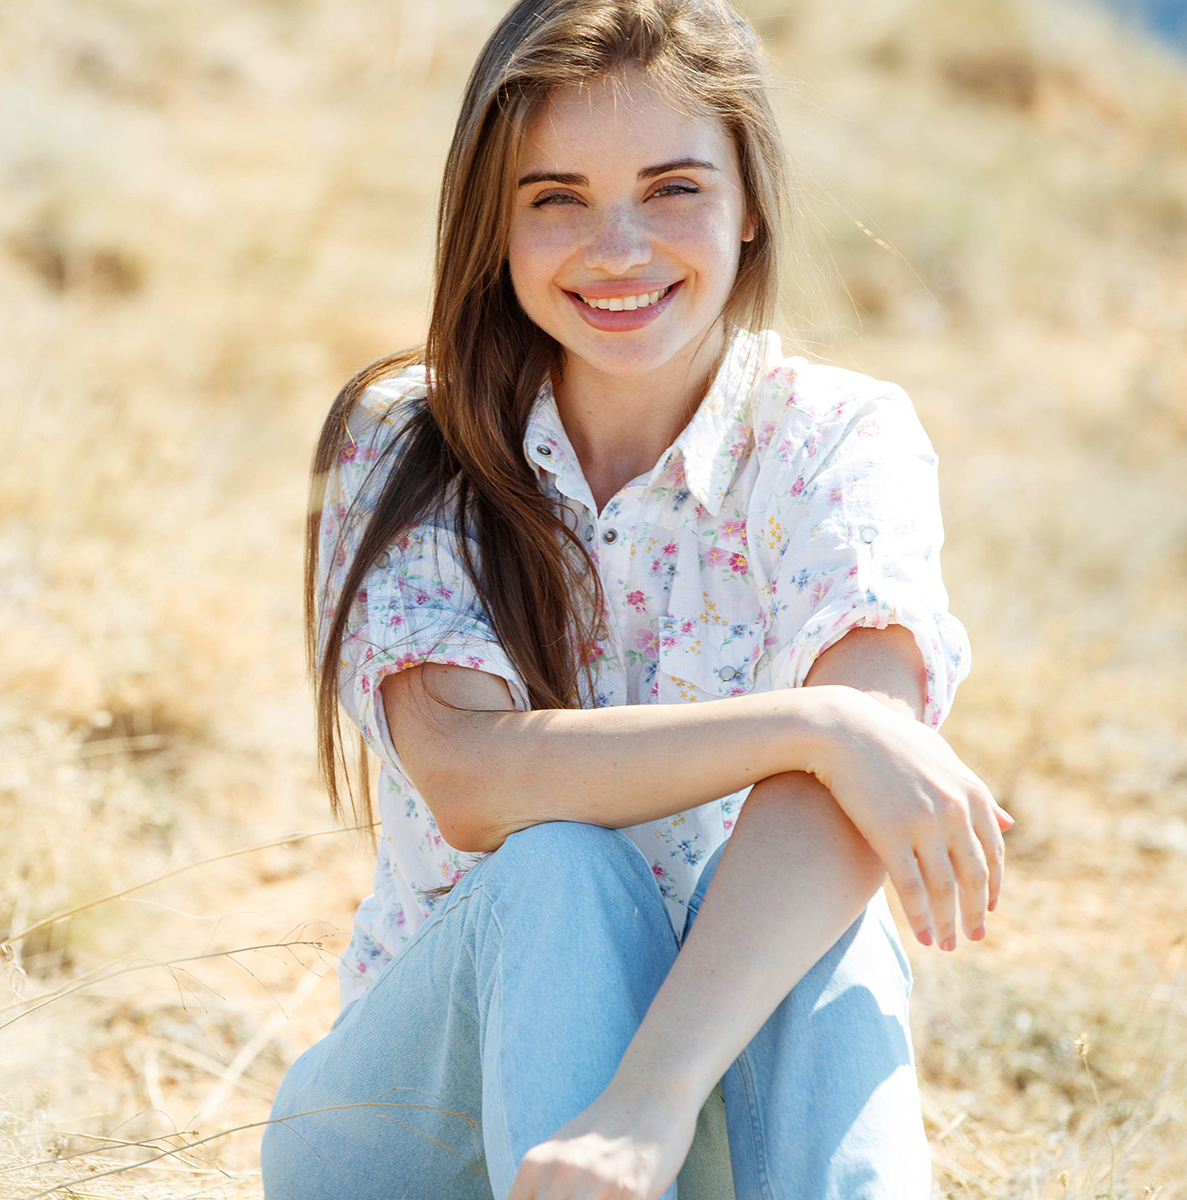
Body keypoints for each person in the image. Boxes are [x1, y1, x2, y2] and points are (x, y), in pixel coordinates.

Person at [261, 1, 1012, 1197]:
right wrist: (816, 728)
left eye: (672, 189)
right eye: (555, 196)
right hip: (413, 1134)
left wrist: (649, 1101)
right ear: (491, 224)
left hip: (684, 1124)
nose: (618, 249)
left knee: (830, 924)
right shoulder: (411, 438)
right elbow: (471, 777)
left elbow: (854, 803)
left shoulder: (835, 441)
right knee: (562, 863)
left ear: (749, 199)